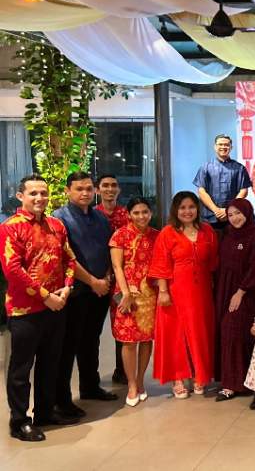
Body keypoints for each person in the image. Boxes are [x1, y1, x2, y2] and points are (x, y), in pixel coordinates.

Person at [1, 174, 78, 442]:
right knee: (21, 369)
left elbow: (69, 259)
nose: (39, 198)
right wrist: (45, 296)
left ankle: (45, 412)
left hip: (56, 306)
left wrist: (67, 287)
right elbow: (13, 270)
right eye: (33, 193)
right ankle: (19, 421)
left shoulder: (56, 225)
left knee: (50, 362)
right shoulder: (10, 228)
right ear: (20, 196)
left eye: (43, 193)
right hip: (24, 311)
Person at [53, 172, 117, 415]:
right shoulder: (59, 218)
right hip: (76, 291)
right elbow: (66, 258)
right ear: (68, 190)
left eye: (89, 188)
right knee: (68, 345)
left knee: (91, 340)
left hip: (99, 289)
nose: (85, 193)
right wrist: (93, 281)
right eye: (79, 189)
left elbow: (108, 249)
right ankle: (62, 400)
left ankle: (90, 386)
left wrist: (106, 278)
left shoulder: (99, 217)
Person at [148, 191, 218, 399]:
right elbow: (160, 264)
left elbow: (214, 261)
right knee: (176, 335)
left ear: (197, 209)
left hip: (202, 291)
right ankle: (178, 378)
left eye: (191, 207)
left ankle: (199, 374)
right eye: (182, 208)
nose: (187, 211)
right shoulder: (167, 233)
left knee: (200, 332)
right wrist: (163, 291)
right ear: (175, 211)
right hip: (175, 291)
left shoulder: (207, 231)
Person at [108, 197, 159, 407]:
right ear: (129, 214)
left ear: (150, 213)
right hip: (126, 293)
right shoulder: (120, 235)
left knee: (146, 339)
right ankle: (130, 384)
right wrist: (126, 292)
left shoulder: (157, 235)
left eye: (145, 212)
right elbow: (117, 267)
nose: (141, 216)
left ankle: (140, 381)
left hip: (149, 294)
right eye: (136, 212)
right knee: (128, 341)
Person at [214, 198, 255, 402]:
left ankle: (237, 383)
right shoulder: (226, 233)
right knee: (229, 333)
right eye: (231, 214)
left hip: (248, 292)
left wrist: (241, 291)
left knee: (234, 330)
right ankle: (234, 381)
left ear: (248, 212)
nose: (235, 218)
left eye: (239, 213)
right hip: (225, 289)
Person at [97, 175, 131, 387]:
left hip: (121, 279)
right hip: (96, 280)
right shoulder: (93, 215)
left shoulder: (127, 215)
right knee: (92, 332)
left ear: (118, 189)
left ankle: (122, 370)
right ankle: (90, 380)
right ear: (98, 190)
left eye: (113, 186)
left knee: (122, 324)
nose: (110, 189)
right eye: (105, 186)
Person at [194, 134, 251, 231]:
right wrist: (215, 210)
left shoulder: (239, 168)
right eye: (220, 144)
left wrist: (228, 210)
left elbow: (243, 191)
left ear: (231, 147)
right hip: (209, 218)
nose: (223, 147)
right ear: (215, 147)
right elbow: (201, 191)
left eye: (226, 145)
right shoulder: (205, 167)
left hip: (233, 218)